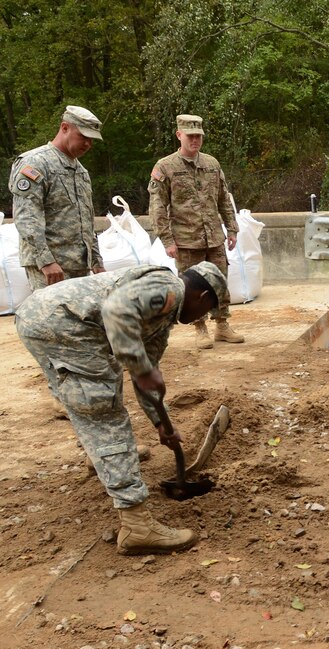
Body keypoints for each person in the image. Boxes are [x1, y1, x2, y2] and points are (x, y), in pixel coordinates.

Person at [15, 262, 228, 555]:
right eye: (207, 310)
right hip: (61, 323)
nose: (201, 318)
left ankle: (101, 458)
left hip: (49, 319)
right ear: (202, 296)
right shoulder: (169, 289)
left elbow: (148, 373)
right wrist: (140, 368)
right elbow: (116, 312)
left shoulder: (162, 317)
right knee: (102, 408)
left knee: (85, 397)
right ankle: (137, 525)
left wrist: (162, 424)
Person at [148, 113, 243, 349]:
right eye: (190, 136)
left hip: (214, 238)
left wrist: (232, 228)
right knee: (194, 288)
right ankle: (200, 329)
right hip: (187, 240)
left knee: (220, 281)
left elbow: (223, 199)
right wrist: (167, 239)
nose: (195, 141)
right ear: (179, 135)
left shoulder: (211, 164)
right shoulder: (165, 167)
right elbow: (157, 207)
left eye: (198, 136)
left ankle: (222, 325)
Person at [8, 105, 105, 289]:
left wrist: (96, 261)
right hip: (51, 267)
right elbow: (26, 217)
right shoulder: (35, 163)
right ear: (65, 128)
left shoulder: (81, 171)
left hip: (79, 265)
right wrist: (45, 261)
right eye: (83, 137)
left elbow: (86, 221)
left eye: (92, 140)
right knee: (53, 317)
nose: (88, 144)